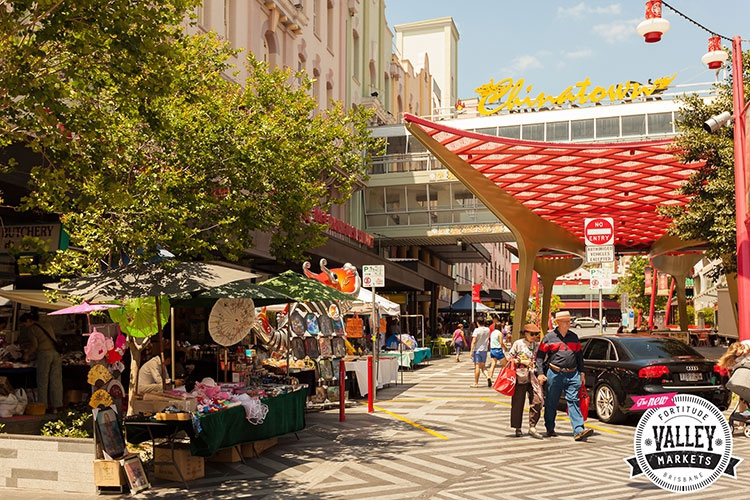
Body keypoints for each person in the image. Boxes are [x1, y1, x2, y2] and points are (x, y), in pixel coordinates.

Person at [535, 310, 593, 441]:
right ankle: (550, 427)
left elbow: (579, 357)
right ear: (559, 323)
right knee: (551, 402)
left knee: (574, 401)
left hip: (572, 374)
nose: (569, 323)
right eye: (567, 321)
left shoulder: (574, 337)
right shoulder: (549, 338)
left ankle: (579, 430)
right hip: (554, 373)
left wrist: (582, 372)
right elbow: (539, 357)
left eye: (569, 321)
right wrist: (540, 373)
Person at [20, 313, 63, 413]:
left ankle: (43, 406)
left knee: (42, 381)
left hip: (44, 354)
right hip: (55, 354)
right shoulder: (46, 324)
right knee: (56, 381)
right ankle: (56, 407)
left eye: (24, 324)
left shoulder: (32, 329)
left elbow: (34, 346)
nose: (24, 326)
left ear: (28, 321)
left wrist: (26, 355)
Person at [508, 324, 544, 438]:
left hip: (534, 376)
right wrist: (522, 361)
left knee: (538, 401)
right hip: (520, 376)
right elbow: (510, 358)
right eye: (532, 334)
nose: (534, 336)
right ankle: (517, 427)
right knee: (518, 402)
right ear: (525, 333)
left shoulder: (537, 345)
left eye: (536, 334)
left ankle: (532, 426)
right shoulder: (518, 344)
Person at [469, 318, 491, 388]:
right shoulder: (487, 329)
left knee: (477, 366)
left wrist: (471, 351)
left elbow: (474, 341)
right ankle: (488, 377)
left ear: (477, 322)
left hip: (477, 350)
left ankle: (476, 383)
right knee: (483, 366)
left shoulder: (476, 330)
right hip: (484, 350)